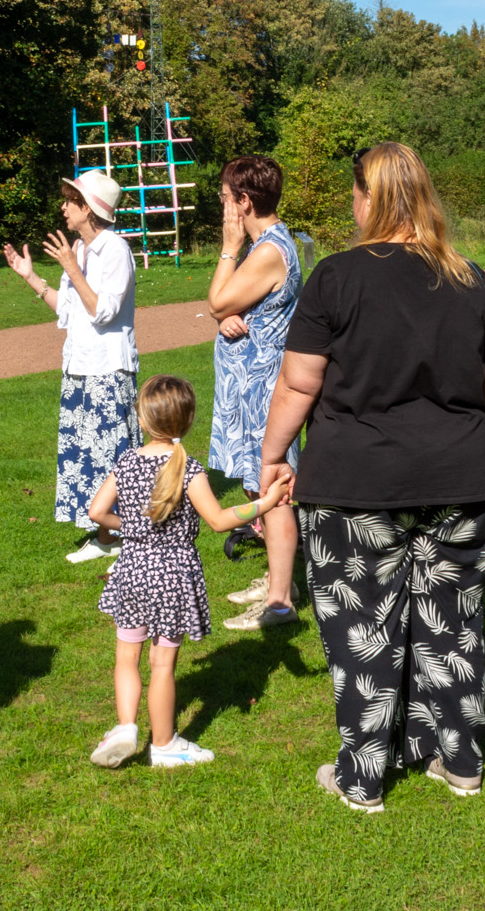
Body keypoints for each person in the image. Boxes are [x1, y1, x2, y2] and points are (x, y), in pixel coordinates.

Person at [259, 142, 485, 814]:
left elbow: (298, 382)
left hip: (357, 481)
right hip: (462, 476)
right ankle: (458, 759)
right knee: (453, 627)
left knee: (363, 631)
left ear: (367, 196)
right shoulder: (470, 277)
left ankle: (363, 777)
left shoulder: (336, 276)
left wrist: (273, 455)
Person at [86, 374, 294, 770]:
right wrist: (266, 502)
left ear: (143, 420)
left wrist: (131, 529)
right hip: (173, 575)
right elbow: (218, 520)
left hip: (131, 570)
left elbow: (97, 512)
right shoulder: (189, 469)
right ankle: (163, 745)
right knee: (161, 665)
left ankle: (126, 728)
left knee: (126, 657)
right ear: (188, 420)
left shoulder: (127, 461)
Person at [2, 169, 137, 564]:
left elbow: (103, 311)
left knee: (112, 456)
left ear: (89, 208)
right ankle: (106, 537)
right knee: (86, 455)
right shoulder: (77, 250)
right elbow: (66, 309)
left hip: (109, 370)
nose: (63, 207)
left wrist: (72, 268)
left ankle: (116, 536)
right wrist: (32, 278)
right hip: (79, 368)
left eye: (70, 200)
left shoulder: (114, 250)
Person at [205, 154, 304, 630]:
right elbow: (229, 307)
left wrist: (228, 247)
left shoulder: (265, 249)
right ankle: (276, 578)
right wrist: (224, 317)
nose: (224, 207)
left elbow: (218, 298)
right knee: (256, 484)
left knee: (274, 491)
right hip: (250, 389)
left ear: (244, 201)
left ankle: (280, 602)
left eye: (226, 198)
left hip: (265, 390)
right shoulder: (264, 245)